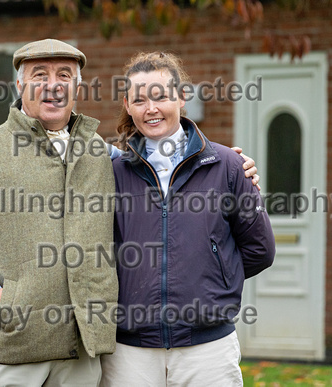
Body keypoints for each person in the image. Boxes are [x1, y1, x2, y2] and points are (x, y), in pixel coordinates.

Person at [0, 40, 260, 386]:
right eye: (40, 75)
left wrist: (225, 164)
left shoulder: (103, 154)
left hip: (81, 357)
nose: (53, 85)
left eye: (64, 75)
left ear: (77, 87)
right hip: (10, 352)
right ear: (20, 85)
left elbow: (159, 163)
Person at [100, 52, 275, 387]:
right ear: (127, 104)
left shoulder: (227, 166)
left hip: (208, 348)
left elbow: (259, 250)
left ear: (182, 97)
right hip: (129, 350)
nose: (151, 109)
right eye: (139, 100)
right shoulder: (112, 173)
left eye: (161, 96)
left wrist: (212, 275)